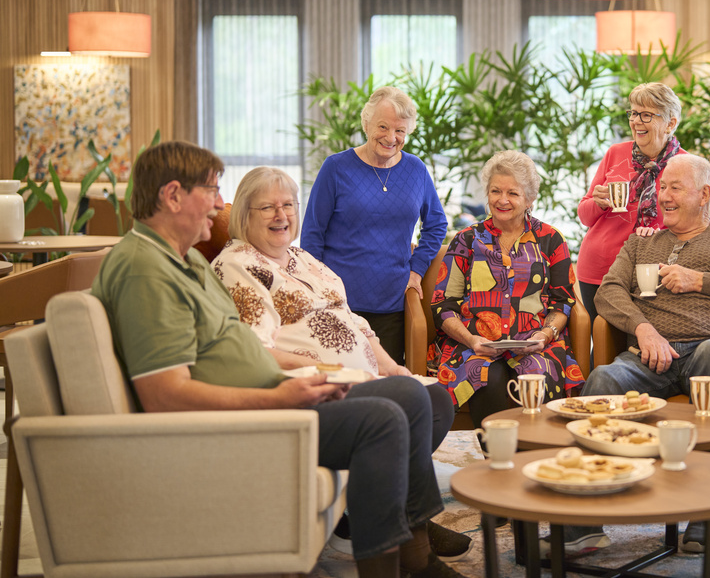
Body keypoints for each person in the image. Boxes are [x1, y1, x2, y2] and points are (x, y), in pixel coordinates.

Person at [92, 141, 466, 578]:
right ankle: (403, 564)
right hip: (253, 417)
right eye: (212, 190)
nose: (219, 203)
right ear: (173, 196)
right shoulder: (144, 269)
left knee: (409, 393)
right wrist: (281, 393)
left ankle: (417, 560)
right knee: (385, 417)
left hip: (275, 398)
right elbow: (162, 395)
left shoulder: (184, 262)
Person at [211, 166, 469, 560]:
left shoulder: (302, 259)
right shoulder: (239, 266)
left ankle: (389, 514)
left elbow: (355, 323)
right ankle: (416, 546)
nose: (282, 215)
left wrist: (392, 367)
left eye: (288, 205)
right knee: (408, 400)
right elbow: (254, 348)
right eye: (268, 208)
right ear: (245, 214)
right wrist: (334, 371)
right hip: (314, 387)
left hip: (355, 377)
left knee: (435, 400)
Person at [573, 153, 710, 555]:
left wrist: (702, 280)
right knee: (603, 379)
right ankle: (583, 521)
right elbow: (609, 291)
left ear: (704, 194)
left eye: (675, 187)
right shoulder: (641, 241)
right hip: (649, 353)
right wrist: (643, 328)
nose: (664, 196)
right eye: (662, 187)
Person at [431, 150, 584, 428]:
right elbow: (443, 304)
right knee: (488, 379)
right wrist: (471, 340)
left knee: (537, 376)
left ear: (530, 198)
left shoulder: (551, 239)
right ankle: (494, 459)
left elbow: (563, 303)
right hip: (474, 343)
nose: (502, 200)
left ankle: (533, 456)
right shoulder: (466, 240)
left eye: (512, 193)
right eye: (495, 191)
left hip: (536, 344)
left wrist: (544, 335)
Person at [301, 86, 448, 365]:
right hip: (338, 301)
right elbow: (312, 235)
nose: (391, 137)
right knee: (341, 384)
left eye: (400, 131)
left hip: (391, 302)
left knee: (386, 383)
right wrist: (318, 287)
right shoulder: (336, 168)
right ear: (366, 123)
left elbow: (437, 225)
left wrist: (416, 271)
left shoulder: (416, 170)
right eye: (383, 126)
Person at [576, 82, 690, 320]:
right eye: (634, 113)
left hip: (651, 272)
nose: (636, 121)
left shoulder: (686, 165)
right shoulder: (615, 153)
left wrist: (657, 230)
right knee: (604, 342)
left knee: (642, 342)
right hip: (600, 267)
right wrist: (598, 202)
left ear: (671, 123)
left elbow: (692, 224)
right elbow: (585, 216)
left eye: (646, 115)